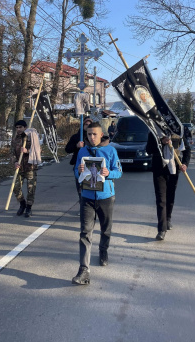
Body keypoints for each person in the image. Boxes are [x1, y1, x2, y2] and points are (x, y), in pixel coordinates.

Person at [72, 122, 122, 285]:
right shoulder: (82, 151)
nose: (91, 137)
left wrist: (109, 173)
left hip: (106, 196)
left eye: (94, 134)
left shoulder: (111, 150)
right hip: (87, 197)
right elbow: (75, 171)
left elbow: (119, 172)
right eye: (89, 134)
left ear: (101, 135)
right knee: (85, 233)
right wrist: (78, 171)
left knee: (105, 229)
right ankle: (83, 270)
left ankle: (103, 251)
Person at [146, 131, 191, 241]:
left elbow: (187, 150)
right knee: (161, 199)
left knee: (170, 196)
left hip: (174, 169)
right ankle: (162, 229)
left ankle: (168, 218)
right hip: (159, 169)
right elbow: (148, 150)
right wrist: (161, 142)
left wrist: (185, 163)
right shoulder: (154, 132)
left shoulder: (178, 132)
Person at [11, 120, 41, 218]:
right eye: (17, 127)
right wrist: (15, 161)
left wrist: (27, 151)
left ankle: (28, 207)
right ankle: (22, 203)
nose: (18, 129)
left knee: (31, 189)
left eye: (20, 127)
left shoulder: (31, 136)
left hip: (30, 167)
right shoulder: (15, 139)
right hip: (19, 168)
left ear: (25, 127)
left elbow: (38, 150)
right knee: (15, 187)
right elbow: (11, 153)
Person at [65, 116, 93, 205]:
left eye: (89, 124)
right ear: (82, 125)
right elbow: (67, 149)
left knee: (91, 186)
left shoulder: (93, 137)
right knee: (80, 187)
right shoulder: (76, 137)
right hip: (79, 165)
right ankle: (82, 205)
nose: (87, 126)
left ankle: (91, 205)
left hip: (92, 165)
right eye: (86, 124)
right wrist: (76, 146)